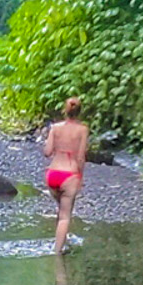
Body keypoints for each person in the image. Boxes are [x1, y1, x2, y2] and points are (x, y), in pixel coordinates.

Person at [43, 96, 90, 255]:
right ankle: (57, 253)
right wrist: (80, 176)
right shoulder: (83, 130)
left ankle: (62, 239)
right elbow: (81, 157)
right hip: (70, 175)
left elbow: (47, 152)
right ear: (79, 112)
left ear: (65, 110)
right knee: (65, 216)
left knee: (61, 209)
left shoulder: (55, 128)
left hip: (52, 174)